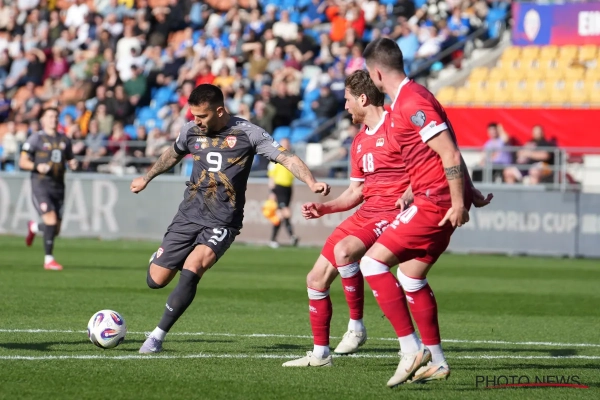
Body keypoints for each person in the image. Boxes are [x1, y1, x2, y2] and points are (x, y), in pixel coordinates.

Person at [130, 84, 330, 354]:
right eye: (194, 115)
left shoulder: (248, 133)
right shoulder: (190, 131)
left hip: (223, 220)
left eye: (202, 116)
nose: (196, 121)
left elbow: (286, 157)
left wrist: (311, 181)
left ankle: (156, 337)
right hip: (188, 215)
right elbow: (172, 153)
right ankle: (161, 258)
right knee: (156, 280)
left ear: (220, 111)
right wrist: (147, 177)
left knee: (193, 268)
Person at [361, 38, 493, 387]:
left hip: (436, 201)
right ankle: (437, 361)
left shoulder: (412, 102)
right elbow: (443, 150)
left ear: (377, 73)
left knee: (371, 264)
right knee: (410, 278)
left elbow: (449, 152)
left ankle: (410, 349)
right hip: (432, 196)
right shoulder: (413, 97)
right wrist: (469, 191)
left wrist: (459, 202)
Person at [283, 70, 411, 367]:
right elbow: (356, 192)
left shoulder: (398, 126)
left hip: (392, 213)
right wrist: (324, 208)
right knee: (315, 278)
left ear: (362, 99)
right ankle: (320, 355)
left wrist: (409, 194)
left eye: (347, 99)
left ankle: (356, 326)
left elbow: (424, 168)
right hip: (365, 213)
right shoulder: (359, 141)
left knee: (344, 251)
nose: (345, 106)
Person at [20, 107, 78, 271]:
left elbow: (70, 159)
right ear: (43, 120)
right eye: (50, 116)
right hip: (41, 185)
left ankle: (34, 227)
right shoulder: (35, 138)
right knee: (50, 221)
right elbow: (22, 162)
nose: (54, 119)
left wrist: (73, 164)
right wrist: (37, 166)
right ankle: (49, 260)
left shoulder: (64, 140)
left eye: (56, 116)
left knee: (55, 229)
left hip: (58, 186)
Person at [267, 137, 299, 248]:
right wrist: (272, 191)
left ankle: (274, 239)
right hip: (279, 187)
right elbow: (271, 176)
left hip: (288, 188)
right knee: (286, 212)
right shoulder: (276, 158)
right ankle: (292, 236)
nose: (287, 146)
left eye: (288, 144)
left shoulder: (291, 157)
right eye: (284, 144)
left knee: (280, 215)